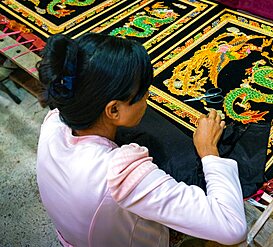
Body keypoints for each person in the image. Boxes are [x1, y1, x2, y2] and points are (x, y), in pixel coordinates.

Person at [36, 33, 247, 247]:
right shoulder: (118, 174)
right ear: (114, 109)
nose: (148, 96)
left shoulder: (54, 121)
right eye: (142, 92)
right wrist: (209, 150)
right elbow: (232, 227)